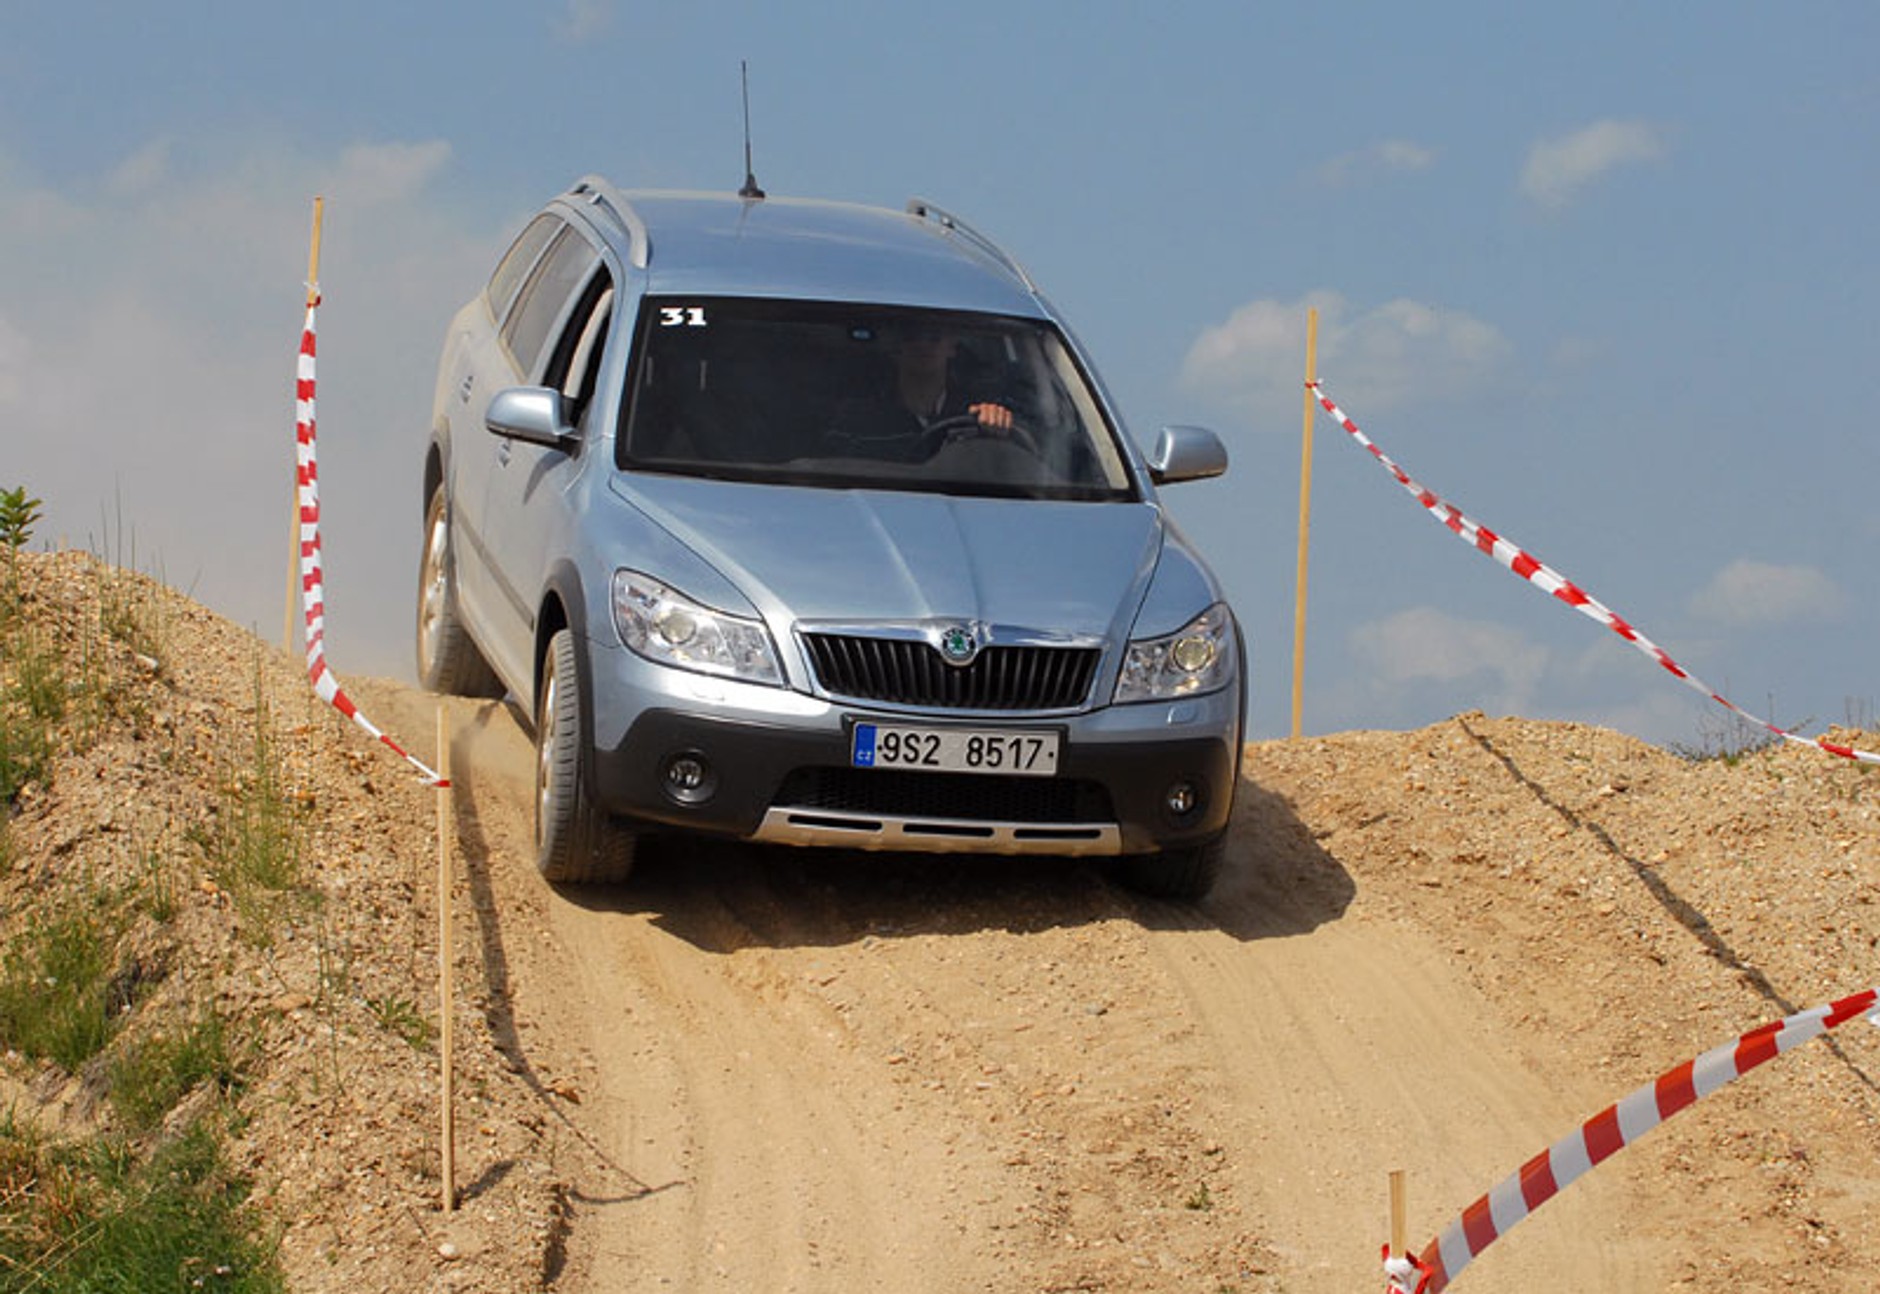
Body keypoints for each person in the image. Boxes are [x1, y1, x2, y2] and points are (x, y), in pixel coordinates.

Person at [829, 324, 1019, 462]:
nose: (922, 345)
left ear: (951, 348)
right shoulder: (858, 417)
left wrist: (997, 425)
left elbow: (1017, 465)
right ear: (896, 349)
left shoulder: (977, 414)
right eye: (910, 337)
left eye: (934, 338)